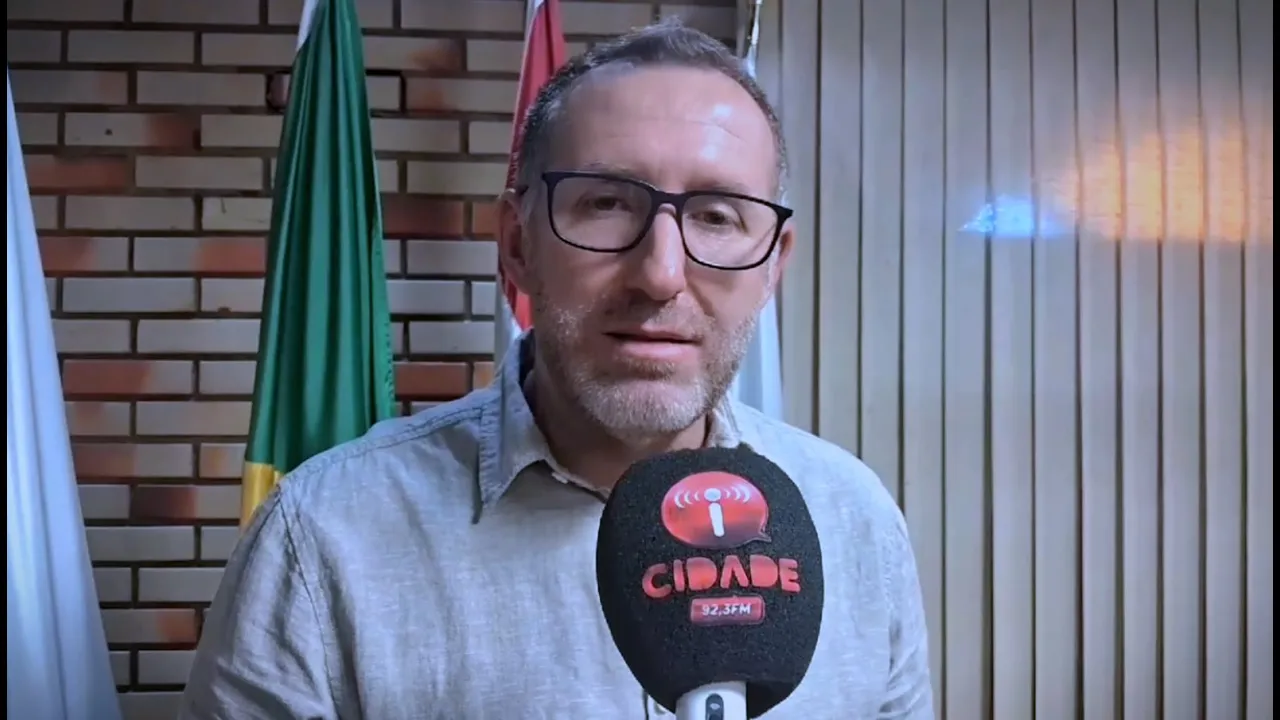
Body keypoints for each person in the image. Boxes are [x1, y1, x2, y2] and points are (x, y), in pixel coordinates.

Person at [178, 20, 934, 720]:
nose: (661, 274)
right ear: (517, 245)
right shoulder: (320, 539)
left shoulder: (854, 522)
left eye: (716, 216)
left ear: (772, 266)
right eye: (606, 204)